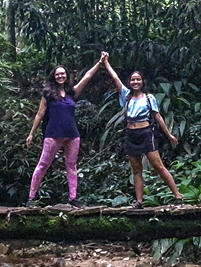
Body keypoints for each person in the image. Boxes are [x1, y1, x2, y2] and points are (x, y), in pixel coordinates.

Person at [101, 53, 183, 208]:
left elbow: (157, 117)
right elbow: (115, 79)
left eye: (138, 79)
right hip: (131, 134)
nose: (135, 82)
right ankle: (139, 201)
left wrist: (169, 135)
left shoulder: (149, 98)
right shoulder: (126, 96)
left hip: (146, 133)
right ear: (130, 82)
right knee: (136, 168)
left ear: (142, 82)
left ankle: (178, 195)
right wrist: (106, 63)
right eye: (133, 79)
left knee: (157, 165)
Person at [25, 54, 105, 207]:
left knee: (71, 165)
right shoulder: (48, 94)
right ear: (54, 77)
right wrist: (31, 133)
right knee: (43, 165)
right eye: (57, 74)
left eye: (63, 73)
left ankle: (73, 198)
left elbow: (87, 77)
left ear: (66, 76)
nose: (60, 76)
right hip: (53, 134)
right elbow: (40, 114)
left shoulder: (71, 93)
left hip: (72, 134)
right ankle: (31, 198)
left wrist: (100, 63)